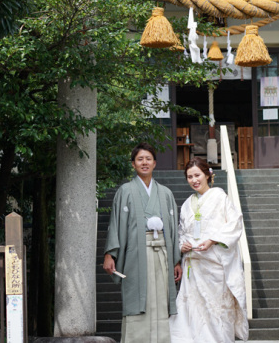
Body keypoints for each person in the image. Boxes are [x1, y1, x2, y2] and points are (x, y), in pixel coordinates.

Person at [103, 143, 183, 343]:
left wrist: (176, 260)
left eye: (148, 159)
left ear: (155, 163)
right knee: (137, 296)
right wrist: (110, 254)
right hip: (135, 253)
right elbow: (116, 223)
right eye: (140, 159)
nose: (144, 162)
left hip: (163, 252)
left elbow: (173, 229)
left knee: (160, 297)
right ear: (133, 164)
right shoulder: (126, 191)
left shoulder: (165, 193)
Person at [170, 157, 249, 343]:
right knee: (192, 311)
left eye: (197, 175)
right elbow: (182, 231)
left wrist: (213, 240)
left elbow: (235, 223)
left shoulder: (220, 196)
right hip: (193, 266)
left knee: (216, 311)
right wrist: (182, 245)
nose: (194, 180)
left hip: (214, 265)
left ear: (207, 175)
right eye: (189, 177)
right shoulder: (188, 204)